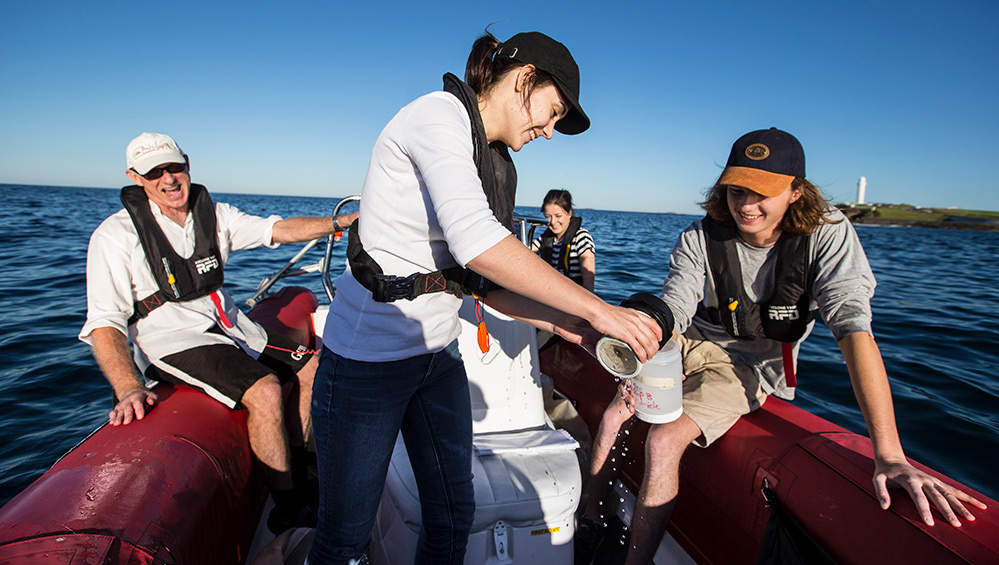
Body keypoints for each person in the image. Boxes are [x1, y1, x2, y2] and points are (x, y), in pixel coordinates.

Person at [309, 31, 662, 564]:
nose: (548, 131)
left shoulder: (496, 161)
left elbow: (487, 285)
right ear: (524, 80)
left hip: (435, 357)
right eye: (552, 111)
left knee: (453, 518)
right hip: (367, 360)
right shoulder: (437, 116)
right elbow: (479, 245)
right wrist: (597, 307)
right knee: (343, 541)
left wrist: (573, 324)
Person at [577, 128, 987, 564]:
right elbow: (677, 304)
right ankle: (591, 522)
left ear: (795, 192)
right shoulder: (699, 237)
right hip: (689, 341)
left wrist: (888, 454)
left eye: (761, 192)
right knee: (616, 413)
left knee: (662, 441)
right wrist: (648, 337)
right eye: (736, 190)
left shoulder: (826, 236)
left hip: (748, 366)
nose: (745, 205)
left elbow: (853, 331)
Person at [79, 132, 357, 535]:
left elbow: (276, 229)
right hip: (174, 338)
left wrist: (339, 222)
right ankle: (288, 505)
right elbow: (104, 321)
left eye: (174, 167)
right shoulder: (114, 236)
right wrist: (128, 387)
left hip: (233, 327)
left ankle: (300, 467)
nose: (168, 179)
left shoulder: (214, 214)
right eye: (154, 172)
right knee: (264, 389)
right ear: (135, 177)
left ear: (187, 163)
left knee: (313, 368)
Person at [532, 189, 596, 292]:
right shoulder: (546, 237)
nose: (553, 222)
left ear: (569, 213)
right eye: (548, 216)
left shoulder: (581, 238)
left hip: (574, 296)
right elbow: (526, 251)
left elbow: (589, 281)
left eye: (558, 216)